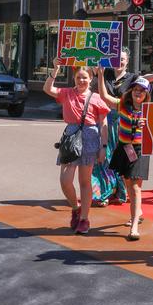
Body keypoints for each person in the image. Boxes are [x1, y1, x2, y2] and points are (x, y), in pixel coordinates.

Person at [93, 47, 153, 207]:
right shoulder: (105, 73)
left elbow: (143, 80)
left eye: (122, 59)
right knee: (104, 156)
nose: (119, 62)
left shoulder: (131, 78)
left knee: (123, 158)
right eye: (117, 58)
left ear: (127, 61)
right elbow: (102, 94)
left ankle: (122, 193)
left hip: (124, 123)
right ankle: (105, 193)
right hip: (106, 119)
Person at [43, 60, 110, 234]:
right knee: (65, 181)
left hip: (90, 137)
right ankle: (75, 207)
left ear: (91, 78)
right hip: (71, 137)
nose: (82, 81)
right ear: (74, 78)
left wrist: (103, 146)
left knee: (85, 182)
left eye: (85, 77)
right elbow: (48, 89)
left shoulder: (96, 98)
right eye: (79, 77)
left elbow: (103, 122)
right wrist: (55, 70)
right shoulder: (66, 93)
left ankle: (84, 219)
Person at [97, 72, 152, 240]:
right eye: (136, 89)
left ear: (147, 94)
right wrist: (100, 75)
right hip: (124, 148)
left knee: (135, 187)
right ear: (131, 91)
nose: (138, 93)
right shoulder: (122, 105)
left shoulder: (150, 110)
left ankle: (134, 226)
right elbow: (104, 96)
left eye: (142, 90)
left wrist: (147, 123)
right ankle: (138, 212)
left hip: (140, 150)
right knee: (128, 183)